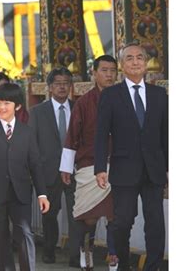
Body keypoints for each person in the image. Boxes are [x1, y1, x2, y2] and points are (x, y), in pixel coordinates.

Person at [94, 43, 168, 271]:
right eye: (129, 58)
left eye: (139, 58)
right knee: (123, 222)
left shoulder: (159, 94)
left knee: (155, 222)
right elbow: (101, 133)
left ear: (146, 64)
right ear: (122, 66)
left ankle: (153, 266)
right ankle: (123, 264)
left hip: (154, 169)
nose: (135, 62)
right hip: (123, 168)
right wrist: (100, 168)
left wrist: (169, 167)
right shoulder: (110, 95)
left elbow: (165, 133)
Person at [0, 83, 50, 271]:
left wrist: (42, 194)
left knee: (25, 235)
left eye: (6, 103)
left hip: (21, 193)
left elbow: (35, 165)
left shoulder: (27, 132)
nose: (1, 107)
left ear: (17, 106)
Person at [59, 55, 119, 270]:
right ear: (94, 73)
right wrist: (66, 167)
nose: (109, 75)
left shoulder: (123, 99)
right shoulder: (84, 102)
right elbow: (72, 134)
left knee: (116, 216)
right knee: (88, 217)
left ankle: (114, 255)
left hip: (119, 166)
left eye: (113, 70)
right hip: (89, 167)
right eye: (104, 70)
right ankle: (87, 250)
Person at [28, 67, 80, 267]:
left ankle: (75, 255)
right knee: (49, 215)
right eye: (57, 83)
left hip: (75, 170)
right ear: (50, 87)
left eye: (66, 83)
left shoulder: (78, 107)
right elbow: (32, 143)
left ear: (70, 86)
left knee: (76, 214)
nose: (62, 87)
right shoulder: (38, 112)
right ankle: (49, 249)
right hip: (48, 171)